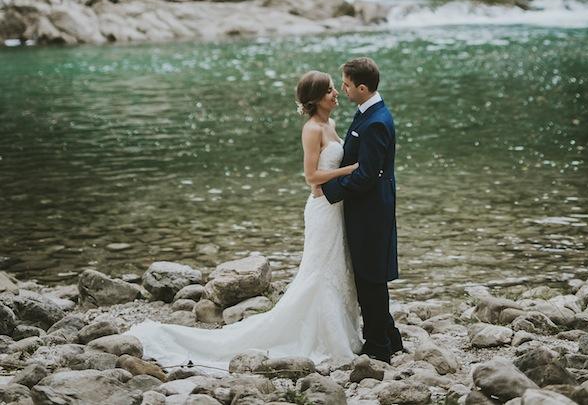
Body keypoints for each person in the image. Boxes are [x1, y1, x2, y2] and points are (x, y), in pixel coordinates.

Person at [127, 71, 362, 369]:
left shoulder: (331, 123)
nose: (336, 93)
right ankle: (324, 340)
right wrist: (348, 171)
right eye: (329, 90)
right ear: (315, 99)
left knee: (336, 268)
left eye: (334, 88)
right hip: (321, 210)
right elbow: (311, 177)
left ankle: (341, 333)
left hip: (335, 208)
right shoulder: (312, 129)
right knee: (318, 274)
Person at [320, 56, 403, 363]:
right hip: (364, 207)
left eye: (346, 84)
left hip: (371, 210)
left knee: (370, 277)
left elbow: (367, 175)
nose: (342, 90)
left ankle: (379, 345)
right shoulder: (367, 112)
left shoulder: (377, 121)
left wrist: (329, 191)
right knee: (368, 275)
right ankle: (390, 336)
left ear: (363, 88)